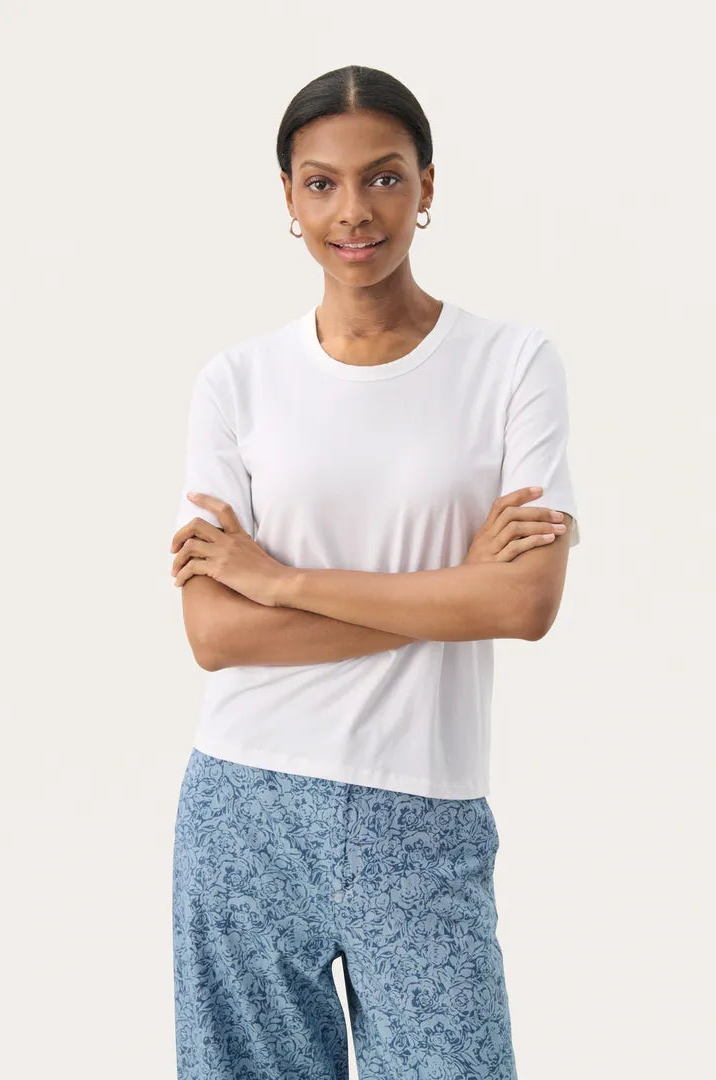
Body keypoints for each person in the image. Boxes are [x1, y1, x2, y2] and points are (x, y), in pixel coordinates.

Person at [169, 64, 580, 1080]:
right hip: (245, 805)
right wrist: (453, 592)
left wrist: (283, 581)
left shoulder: (512, 365)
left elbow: (524, 602)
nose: (354, 210)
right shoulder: (237, 383)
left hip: (425, 813)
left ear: (427, 186)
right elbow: (215, 635)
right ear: (289, 197)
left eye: (384, 177)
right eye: (322, 183)